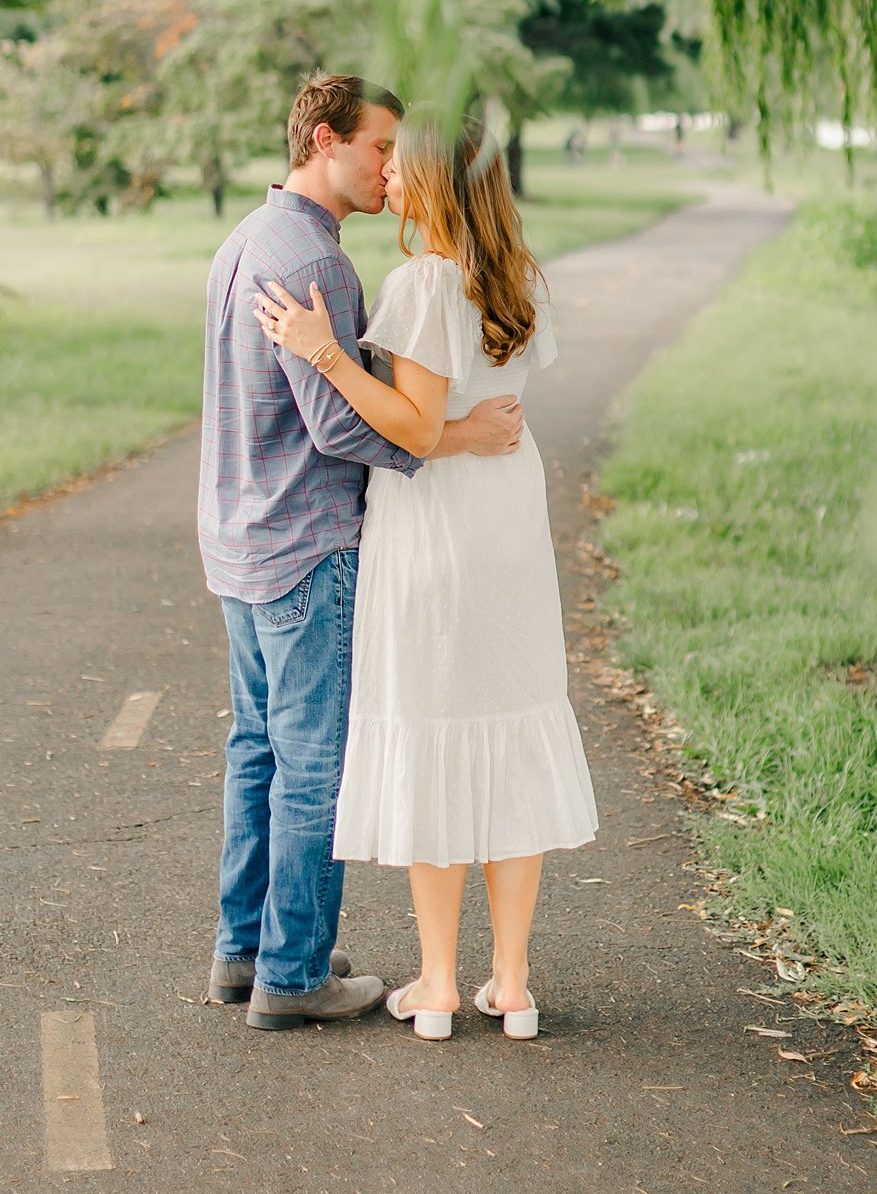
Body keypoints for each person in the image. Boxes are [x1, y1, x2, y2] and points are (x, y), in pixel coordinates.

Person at [253, 114, 598, 1041]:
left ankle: (439, 984)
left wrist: (323, 352)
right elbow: (497, 404)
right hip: (509, 527)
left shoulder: (420, 285)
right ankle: (513, 983)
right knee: (508, 724)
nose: (389, 180)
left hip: (433, 529)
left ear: (440, 183)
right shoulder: (520, 281)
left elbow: (410, 427)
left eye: (403, 169)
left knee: (433, 724)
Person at [198, 74, 524, 1032]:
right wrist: (450, 438)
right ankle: (293, 973)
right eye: (380, 147)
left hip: (239, 536)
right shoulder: (322, 267)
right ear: (325, 143)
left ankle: (244, 948)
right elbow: (338, 425)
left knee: (257, 750)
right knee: (311, 764)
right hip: (305, 540)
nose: (392, 166)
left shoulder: (246, 240)